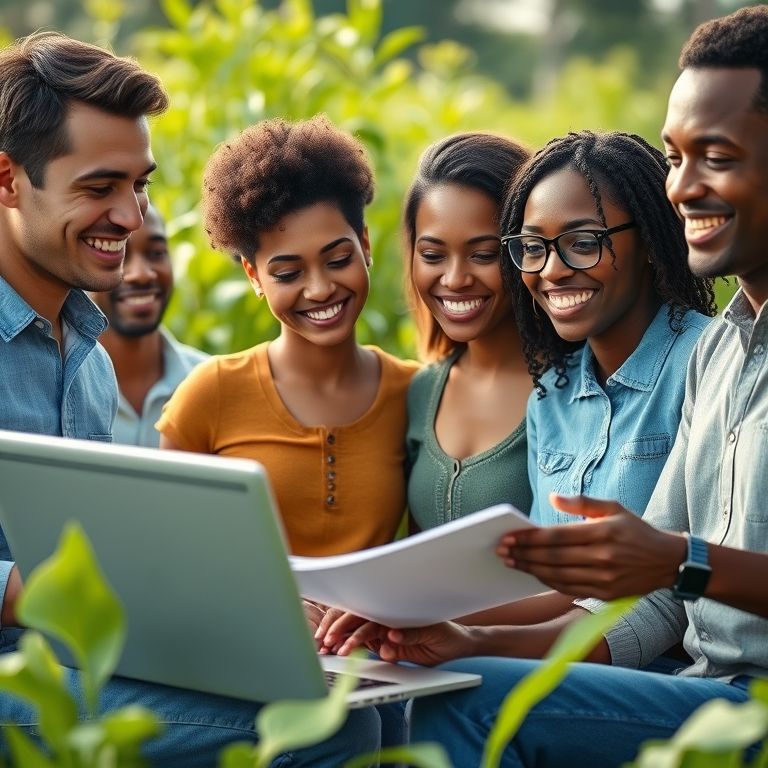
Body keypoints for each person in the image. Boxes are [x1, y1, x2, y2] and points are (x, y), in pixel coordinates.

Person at [333, 6, 768, 767]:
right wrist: (471, 636)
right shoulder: (721, 357)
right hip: (704, 690)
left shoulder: (686, 351)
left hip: (740, 703)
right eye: (675, 158)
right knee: (433, 686)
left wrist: (682, 561)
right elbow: (655, 600)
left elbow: (673, 571)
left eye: (717, 156)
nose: (684, 187)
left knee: (466, 706)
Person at [0, 33, 380, 766]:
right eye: (98, 187)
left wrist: (242, 611)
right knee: (328, 727)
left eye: (138, 185)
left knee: (362, 694)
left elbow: (96, 553)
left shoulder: (85, 355)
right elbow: (71, 579)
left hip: (70, 658)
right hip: (26, 669)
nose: (132, 217)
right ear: (9, 179)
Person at [157, 116, 420, 558]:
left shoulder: (415, 393)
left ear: (366, 245)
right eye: (288, 273)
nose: (319, 289)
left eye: (337, 260)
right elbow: (165, 550)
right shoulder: (211, 394)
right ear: (254, 275)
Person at [503, 130, 714, 526]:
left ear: (650, 242)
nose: (551, 270)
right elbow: (549, 570)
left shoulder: (709, 363)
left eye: (583, 243)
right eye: (533, 248)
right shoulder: (551, 401)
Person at [403, 132, 533, 529]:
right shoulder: (422, 391)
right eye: (432, 255)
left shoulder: (581, 385)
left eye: (483, 255)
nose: (455, 279)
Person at [91, 204, 208, 448]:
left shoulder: (210, 383)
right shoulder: (54, 386)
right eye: (119, 252)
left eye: (156, 253)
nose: (141, 275)